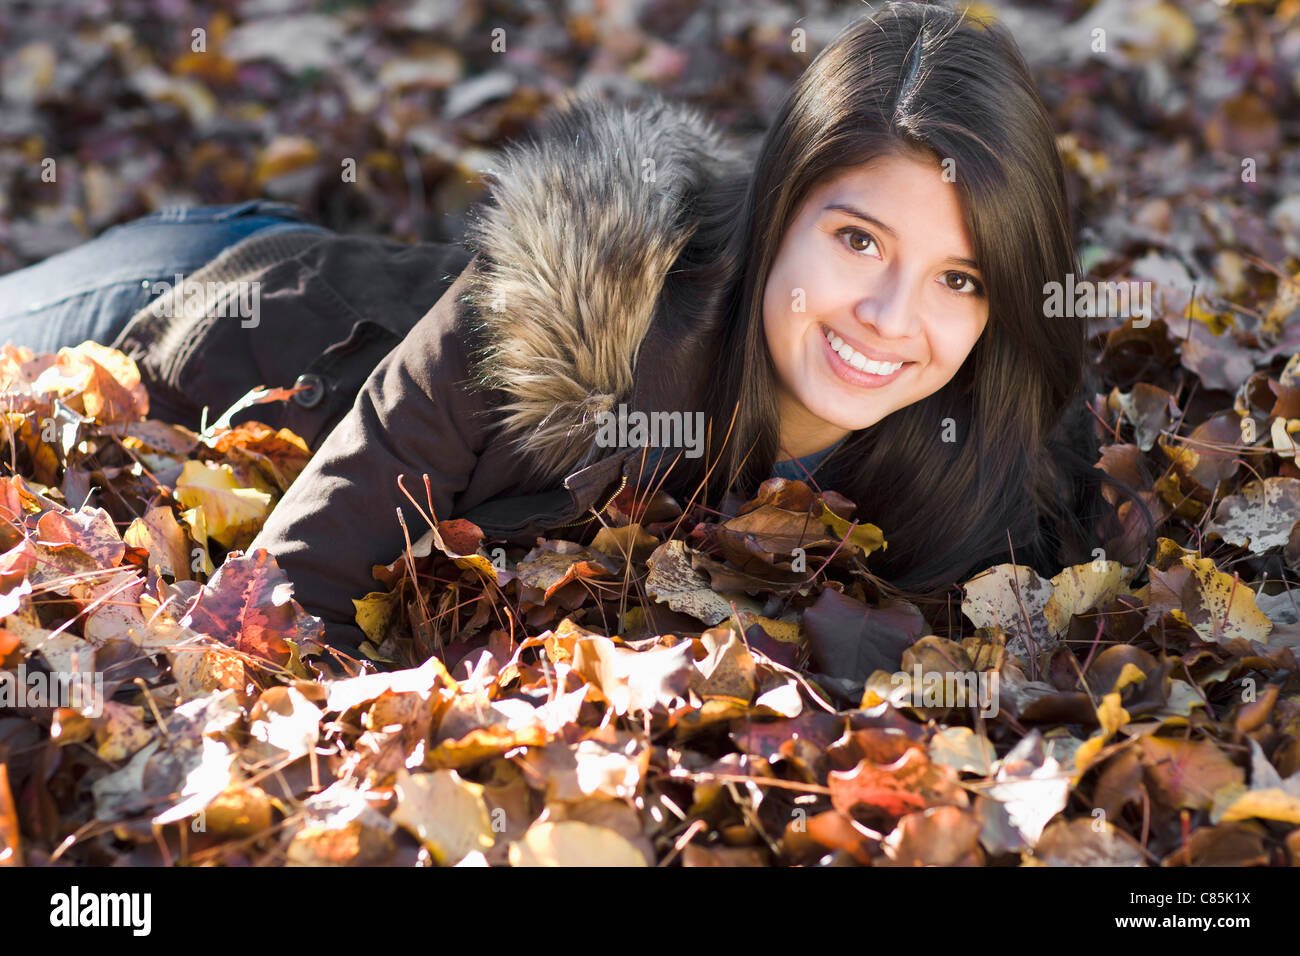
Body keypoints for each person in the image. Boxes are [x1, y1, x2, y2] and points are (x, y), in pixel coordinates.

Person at [1, 2, 1151, 675]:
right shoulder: (580, 310)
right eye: (855, 241)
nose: (891, 318)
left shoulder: (1003, 445)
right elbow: (279, 607)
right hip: (200, 311)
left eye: (957, 275)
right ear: (778, 207)